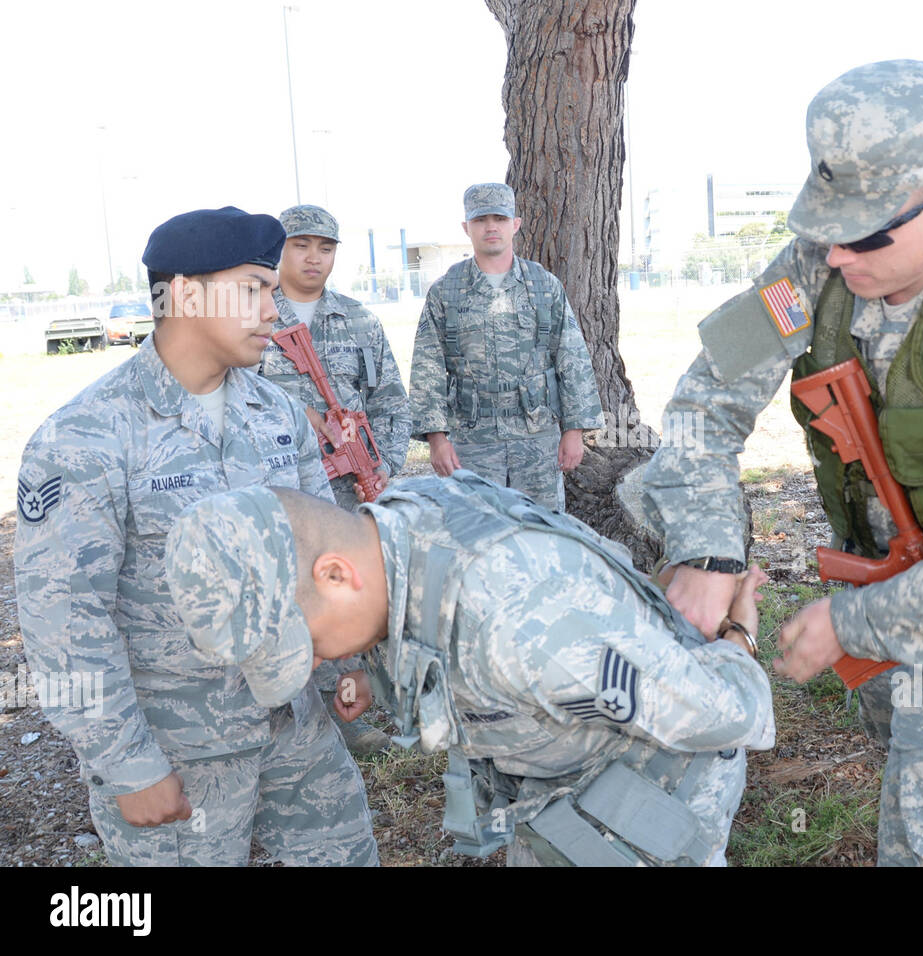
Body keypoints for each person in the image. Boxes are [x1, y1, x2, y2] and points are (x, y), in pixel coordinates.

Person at [640, 60, 923, 866]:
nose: (836, 253)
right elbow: (700, 407)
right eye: (826, 225)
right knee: (896, 721)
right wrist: (710, 549)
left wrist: (849, 625)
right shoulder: (813, 268)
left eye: (863, 234)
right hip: (871, 566)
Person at [163, 472, 775, 866]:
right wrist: (381, 681)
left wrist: (737, 638)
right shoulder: (395, 530)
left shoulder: (521, 622)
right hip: (554, 790)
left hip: (643, 806)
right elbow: (432, 632)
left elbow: (729, 715)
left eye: (306, 640)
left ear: (334, 574)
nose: (317, 659)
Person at [14, 207, 377, 866]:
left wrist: (346, 670)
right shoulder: (87, 437)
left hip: (296, 734)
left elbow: (325, 556)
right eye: (253, 289)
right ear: (183, 294)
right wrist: (127, 766)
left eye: (273, 289)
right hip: (181, 753)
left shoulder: (276, 414)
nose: (276, 309)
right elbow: (63, 622)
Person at [261, 202, 413, 754]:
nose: (313, 258)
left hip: (349, 493)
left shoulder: (358, 320)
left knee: (350, 596)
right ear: (278, 250)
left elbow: (394, 402)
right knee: (287, 600)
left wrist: (382, 466)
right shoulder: (254, 317)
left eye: (325, 249)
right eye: (301, 246)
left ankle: (353, 706)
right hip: (281, 494)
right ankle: (299, 716)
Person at [408, 182, 604, 511]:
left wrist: (574, 430)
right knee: (475, 535)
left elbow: (572, 357)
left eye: (499, 218)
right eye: (481, 219)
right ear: (466, 227)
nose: (490, 227)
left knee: (543, 533)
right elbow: (427, 366)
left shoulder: (543, 286)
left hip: (537, 439)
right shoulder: (446, 292)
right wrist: (436, 439)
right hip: (472, 443)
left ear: (515, 224)